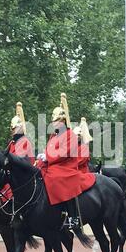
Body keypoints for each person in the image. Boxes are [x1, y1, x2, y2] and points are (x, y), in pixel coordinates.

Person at [37, 93, 96, 230]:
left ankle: (73, 216)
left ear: (62, 121)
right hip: (53, 166)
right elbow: (50, 150)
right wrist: (42, 157)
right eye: (53, 121)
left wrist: (49, 157)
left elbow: (65, 152)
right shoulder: (54, 136)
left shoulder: (70, 135)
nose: (53, 123)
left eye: (56, 121)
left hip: (66, 168)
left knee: (58, 178)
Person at [74, 117, 100, 252]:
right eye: (75, 135)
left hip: (82, 174)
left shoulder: (83, 148)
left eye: (78, 135)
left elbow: (79, 161)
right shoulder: (71, 147)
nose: (76, 137)